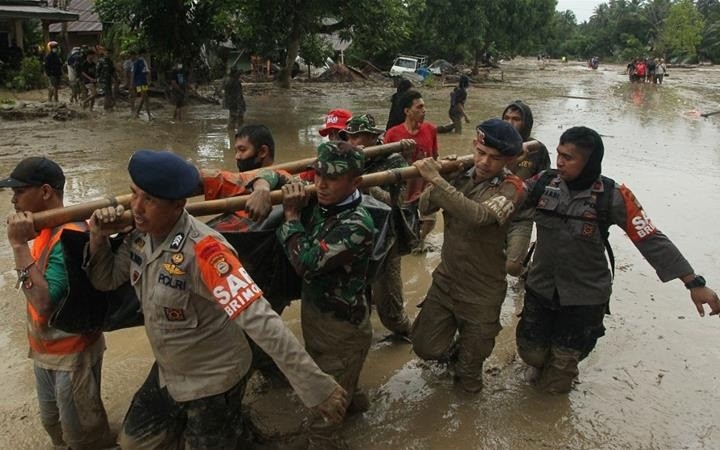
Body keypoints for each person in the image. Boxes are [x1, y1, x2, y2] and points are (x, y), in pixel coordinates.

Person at [85, 149, 346, 448]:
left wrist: (314, 386)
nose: (137, 207)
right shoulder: (140, 235)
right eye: (134, 195)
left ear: (178, 204)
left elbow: (259, 318)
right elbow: (105, 279)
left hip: (213, 379)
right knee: (133, 443)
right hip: (169, 369)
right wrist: (98, 236)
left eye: (150, 200)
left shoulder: (207, 253)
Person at [516, 126, 720, 394]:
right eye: (558, 154)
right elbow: (507, 198)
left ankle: (564, 367)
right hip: (541, 287)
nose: (560, 162)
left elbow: (650, 238)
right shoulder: (543, 183)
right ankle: (547, 361)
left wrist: (694, 282)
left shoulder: (613, 196)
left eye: (569, 157)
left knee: (557, 380)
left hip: (585, 298)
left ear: (590, 162)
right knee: (532, 355)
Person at [1, 157, 112, 449]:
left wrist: (18, 246)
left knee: (83, 438)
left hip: (71, 357)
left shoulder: (70, 236)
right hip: (45, 352)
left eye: (20, 190)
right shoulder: (42, 228)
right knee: (53, 425)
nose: (13, 199)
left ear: (46, 191)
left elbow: (43, 302)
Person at [409, 119, 526, 393]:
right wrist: (443, 177)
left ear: (508, 160)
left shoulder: (513, 187)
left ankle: (466, 366)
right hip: (447, 281)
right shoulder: (459, 175)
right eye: (481, 152)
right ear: (474, 145)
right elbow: (424, 205)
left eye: (495, 158)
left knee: (468, 376)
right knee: (424, 346)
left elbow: (480, 216)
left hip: (482, 293)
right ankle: (454, 352)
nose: (485, 162)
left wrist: (438, 180)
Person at [277, 142, 375, 442]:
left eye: (331, 178)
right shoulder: (324, 204)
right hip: (319, 318)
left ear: (355, 182)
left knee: (325, 412)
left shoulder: (356, 223)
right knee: (343, 385)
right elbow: (275, 176)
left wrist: (291, 219)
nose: (320, 184)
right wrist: (279, 183)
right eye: (318, 174)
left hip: (342, 330)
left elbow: (306, 264)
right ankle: (360, 409)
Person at [341, 114, 413, 339]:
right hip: (354, 234)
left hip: (385, 236)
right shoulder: (346, 159)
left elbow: (396, 203)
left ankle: (407, 331)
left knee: (390, 308)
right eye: (350, 138)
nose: (354, 143)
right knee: (354, 296)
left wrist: (366, 184)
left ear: (373, 137)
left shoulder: (393, 161)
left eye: (359, 137)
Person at [501, 100, 551, 276]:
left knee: (513, 267)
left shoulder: (537, 149)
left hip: (522, 216)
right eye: (506, 118)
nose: (510, 123)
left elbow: (546, 182)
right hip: (494, 213)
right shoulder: (494, 145)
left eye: (516, 119)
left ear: (526, 123)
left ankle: (527, 273)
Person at [384, 90, 439, 246]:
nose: (424, 111)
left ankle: (419, 241)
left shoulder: (431, 130)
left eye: (424, 107)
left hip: (425, 187)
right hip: (403, 189)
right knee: (402, 227)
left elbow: (435, 156)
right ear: (407, 111)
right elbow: (385, 164)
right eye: (419, 107)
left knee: (428, 221)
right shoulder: (393, 134)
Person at [223, 68, 246, 136]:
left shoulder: (228, 81)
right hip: (235, 102)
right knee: (238, 118)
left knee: (232, 117)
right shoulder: (235, 82)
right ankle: (239, 132)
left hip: (231, 102)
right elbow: (238, 94)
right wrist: (240, 105)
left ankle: (231, 133)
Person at [132, 49, 151, 119]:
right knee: (144, 97)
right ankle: (139, 113)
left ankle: (141, 113)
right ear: (141, 54)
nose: (145, 55)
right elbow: (133, 73)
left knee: (145, 98)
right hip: (139, 82)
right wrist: (132, 84)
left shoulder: (143, 62)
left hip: (143, 82)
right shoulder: (138, 62)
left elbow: (146, 72)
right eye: (144, 54)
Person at [96, 46, 117, 111]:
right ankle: (106, 108)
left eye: (109, 53)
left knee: (109, 93)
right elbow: (97, 71)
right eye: (107, 53)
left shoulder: (110, 61)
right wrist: (97, 79)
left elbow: (113, 71)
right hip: (103, 80)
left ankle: (108, 107)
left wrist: (116, 78)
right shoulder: (101, 61)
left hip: (109, 79)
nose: (108, 54)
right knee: (107, 93)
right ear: (104, 53)